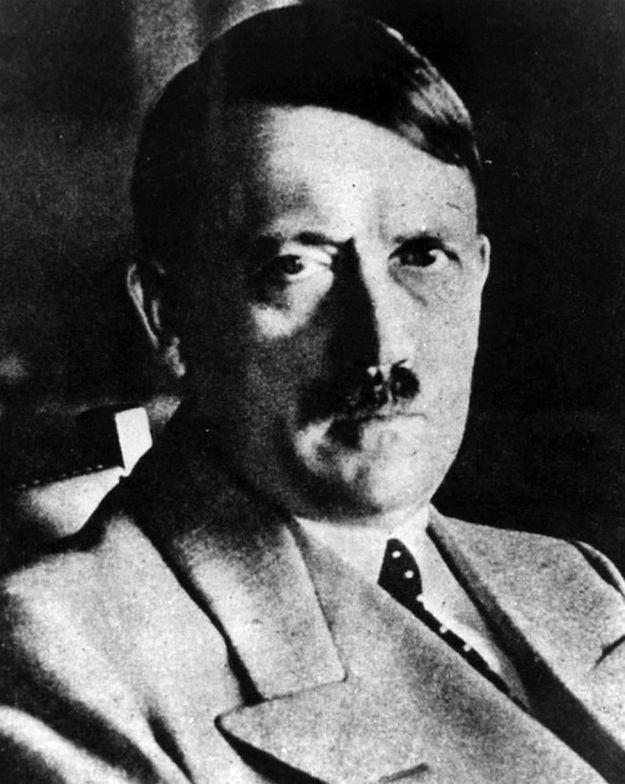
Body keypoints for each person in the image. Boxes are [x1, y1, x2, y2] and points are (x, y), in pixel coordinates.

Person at [0, 4, 624, 782]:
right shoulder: (68, 653)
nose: (382, 344)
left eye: (420, 255)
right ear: (168, 315)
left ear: (478, 277)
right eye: (294, 266)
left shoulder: (575, 582)